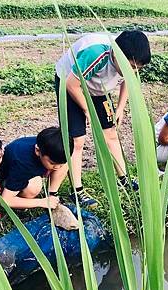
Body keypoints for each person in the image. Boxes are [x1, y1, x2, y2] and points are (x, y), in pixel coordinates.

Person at [54, 30, 152, 206]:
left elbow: (130, 80)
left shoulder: (131, 62)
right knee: (77, 140)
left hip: (99, 88)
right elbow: (72, 84)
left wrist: (120, 108)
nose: (134, 70)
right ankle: (77, 192)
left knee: (111, 134)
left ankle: (124, 179)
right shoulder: (96, 53)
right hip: (71, 84)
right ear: (117, 54)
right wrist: (87, 109)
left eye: (138, 68)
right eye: (130, 66)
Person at [0, 127, 73, 211]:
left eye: (60, 164)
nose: (57, 167)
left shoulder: (49, 146)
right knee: (34, 187)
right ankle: (22, 200)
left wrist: (57, 164)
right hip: (7, 178)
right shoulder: (23, 164)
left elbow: (58, 163)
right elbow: (6, 200)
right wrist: (41, 202)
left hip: (33, 166)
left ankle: (52, 194)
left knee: (63, 164)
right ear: (37, 150)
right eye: (52, 163)